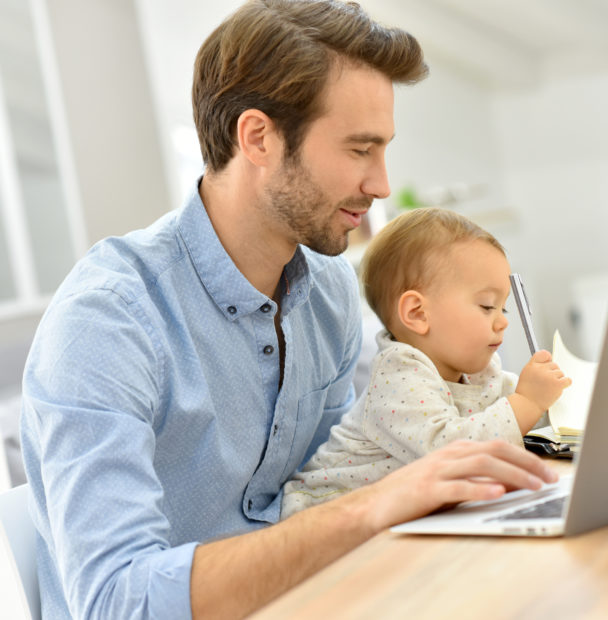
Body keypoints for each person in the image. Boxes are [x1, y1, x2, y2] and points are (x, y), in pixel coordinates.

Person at [18, 2, 559, 618]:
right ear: (258, 138)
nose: (382, 185)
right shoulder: (108, 321)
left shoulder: (326, 290)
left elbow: (348, 462)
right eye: (360, 150)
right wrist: (375, 506)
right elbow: (117, 601)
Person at [281, 208, 571, 516]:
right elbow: (450, 453)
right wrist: (527, 400)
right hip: (325, 512)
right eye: (487, 306)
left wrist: (559, 401)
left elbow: (537, 414)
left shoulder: (478, 371)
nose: (502, 323)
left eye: (504, 309)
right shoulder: (397, 376)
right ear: (418, 314)